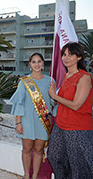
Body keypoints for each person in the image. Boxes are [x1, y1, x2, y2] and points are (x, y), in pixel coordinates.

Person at [48, 42, 93, 178]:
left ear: (79, 57)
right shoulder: (66, 76)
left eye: (71, 54)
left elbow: (76, 105)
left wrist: (54, 95)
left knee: (78, 165)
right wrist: (54, 97)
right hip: (61, 125)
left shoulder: (84, 77)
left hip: (77, 127)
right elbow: (62, 101)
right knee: (54, 157)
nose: (66, 58)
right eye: (64, 54)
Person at [10, 53, 55, 179]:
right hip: (27, 121)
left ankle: (34, 176)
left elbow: (53, 103)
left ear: (43, 63)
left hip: (43, 121)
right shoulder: (24, 82)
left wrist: (54, 95)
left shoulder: (50, 81)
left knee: (39, 150)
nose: (37, 64)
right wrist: (18, 123)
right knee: (26, 149)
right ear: (30, 64)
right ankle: (26, 175)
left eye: (39, 61)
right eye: (34, 62)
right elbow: (19, 103)